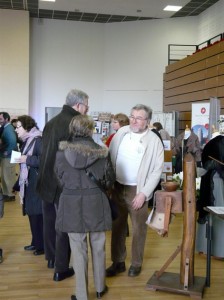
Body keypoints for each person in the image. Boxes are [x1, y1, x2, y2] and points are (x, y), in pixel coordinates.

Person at [54, 114, 115, 300]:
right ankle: (99, 287)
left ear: (72, 130)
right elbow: (109, 180)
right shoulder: (103, 152)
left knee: (78, 250)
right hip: (96, 201)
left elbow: (59, 179)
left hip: (71, 202)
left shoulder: (61, 154)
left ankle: (81, 295)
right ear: (91, 130)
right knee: (98, 246)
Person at [36, 89, 89, 281]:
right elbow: (76, 158)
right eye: (86, 106)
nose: (87, 110)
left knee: (49, 221)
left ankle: (51, 258)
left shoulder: (51, 122)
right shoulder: (76, 123)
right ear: (77, 106)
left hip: (46, 180)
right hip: (63, 182)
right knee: (64, 226)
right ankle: (60, 268)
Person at [106, 104, 164, 277]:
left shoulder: (154, 141)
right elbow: (110, 157)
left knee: (139, 228)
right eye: (132, 116)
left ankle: (136, 263)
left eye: (139, 118)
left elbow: (156, 170)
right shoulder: (121, 133)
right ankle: (118, 261)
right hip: (117, 186)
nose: (134, 120)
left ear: (147, 121)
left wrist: (143, 193)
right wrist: (109, 184)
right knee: (117, 225)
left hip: (137, 190)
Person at [15, 115, 44, 255]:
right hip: (29, 182)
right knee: (32, 213)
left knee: (37, 214)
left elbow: (44, 161)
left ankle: (41, 246)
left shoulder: (38, 140)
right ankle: (35, 242)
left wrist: (27, 159)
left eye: (18, 127)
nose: (16, 130)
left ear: (27, 127)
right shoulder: (27, 140)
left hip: (36, 183)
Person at [196, 134, 224, 259]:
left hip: (213, 181)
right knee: (218, 212)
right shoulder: (217, 143)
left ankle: (207, 248)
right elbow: (209, 164)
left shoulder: (215, 142)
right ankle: (219, 250)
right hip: (216, 182)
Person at [0, 112, 17, 201]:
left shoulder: (9, 129)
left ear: (6, 119)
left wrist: (7, 152)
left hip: (9, 156)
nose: (0, 121)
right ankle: (7, 193)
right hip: (6, 156)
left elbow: (13, 142)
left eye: (1, 119)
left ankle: (11, 195)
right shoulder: (5, 128)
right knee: (4, 176)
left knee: (9, 176)